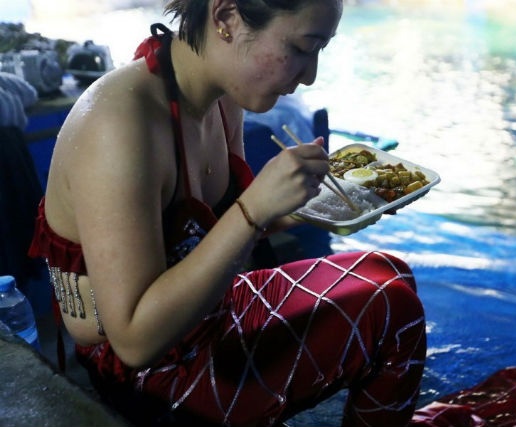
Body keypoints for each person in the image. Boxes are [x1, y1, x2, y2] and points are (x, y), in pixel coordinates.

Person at [28, 0, 427, 426]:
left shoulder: (221, 98)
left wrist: (317, 201)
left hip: (208, 313)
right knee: (392, 311)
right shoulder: (120, 125)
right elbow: (134, 341)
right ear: (225, 18)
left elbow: (215, 234)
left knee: (390, 272)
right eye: (302, 47)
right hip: (145, 371)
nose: (309, 74)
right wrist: (255, 207)